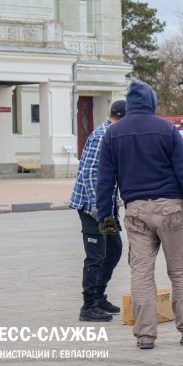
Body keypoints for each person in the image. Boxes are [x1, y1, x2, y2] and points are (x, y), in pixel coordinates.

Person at [96, 80, 183, 350]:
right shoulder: (167, 129)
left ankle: (145, 335)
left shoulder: (113, 133)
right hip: (171, 209)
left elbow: (105, 179)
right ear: (151, 102)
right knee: (181, 271)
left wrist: (105, 214)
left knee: (141, 274)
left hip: (135, 211)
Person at [69, 100, 126, 322]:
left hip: (106, 206)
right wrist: (98, 209)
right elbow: (91, 175)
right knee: (96, 256)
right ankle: (88, 306)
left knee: (114, 250)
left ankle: (99, 295)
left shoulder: (113, 134)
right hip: (92, 207)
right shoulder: (102, 136)